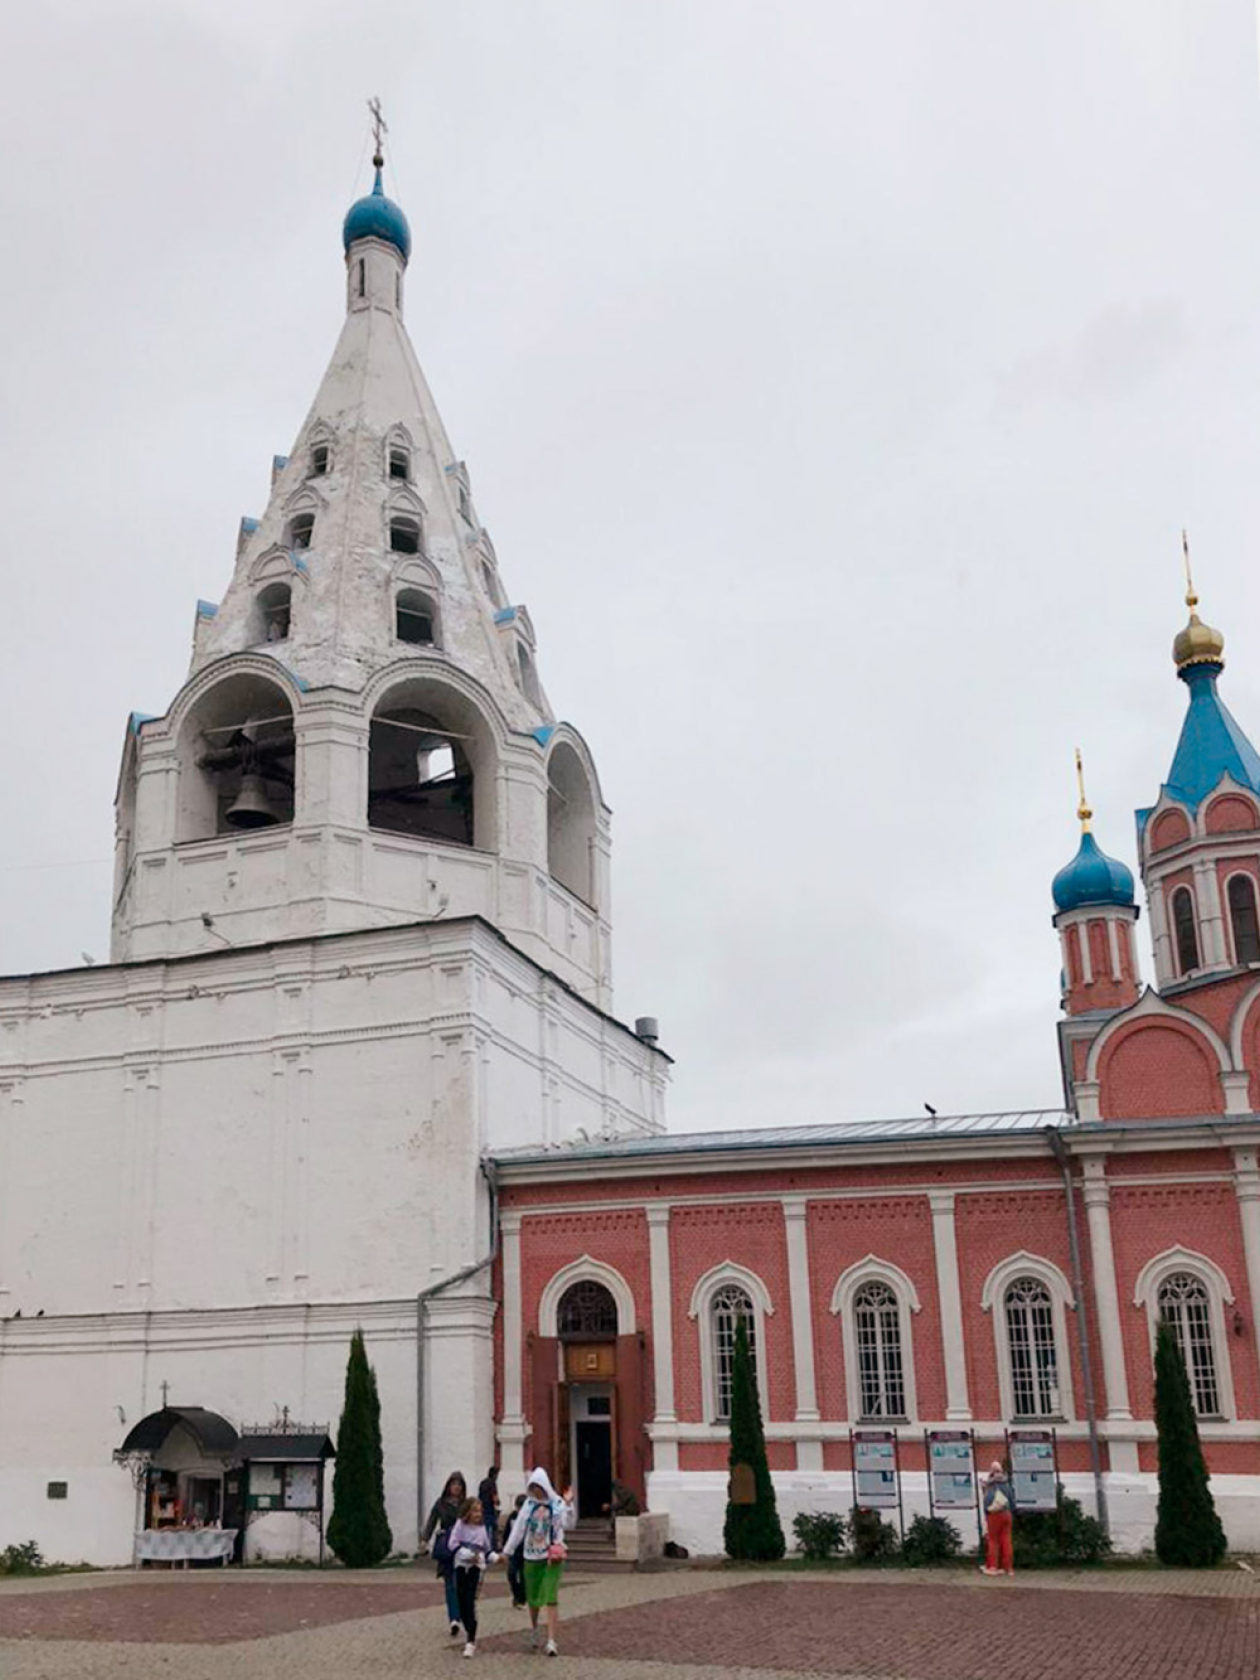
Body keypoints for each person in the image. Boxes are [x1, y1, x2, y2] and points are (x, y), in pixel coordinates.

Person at [503, 1467, 576, 1657]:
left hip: (552, 1557)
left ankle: (552, 1641)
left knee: (551, 1597)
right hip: (531, 1556)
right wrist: (507, 1551)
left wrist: (568, 1504)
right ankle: (535, 1629)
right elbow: (518, 1530)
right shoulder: (528, 1506)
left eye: (538, 1487)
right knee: (534, 1598)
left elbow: (568, 1524)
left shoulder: (557, 1503)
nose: (536, 1491)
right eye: (533, 1487)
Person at [447, 1495, 498, 1658]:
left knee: (470, 1602)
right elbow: (452, 1544)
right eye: (475, 1511)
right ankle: (467, 1626)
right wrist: (467, 1554)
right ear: (467, 1512)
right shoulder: (460, 1525)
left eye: (480, 1511)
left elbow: (487, 1549)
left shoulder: (483, 1529)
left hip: (476, 1569)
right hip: (461, 1566)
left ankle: (471, 1640)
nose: (478, 1514)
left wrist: (496, 1558)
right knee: (461, 1603)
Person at [422, 1470, 468, 1636]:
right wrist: (424, 1539)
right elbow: (432, 1521)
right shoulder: (441, 1503)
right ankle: (454, 1619)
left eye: (459, 1485)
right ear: (448, 1486)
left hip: (462, 1547)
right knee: (450, 1584)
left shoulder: (465, 1505)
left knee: (460, 1583)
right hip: (447, 1547)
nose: (456, 1488)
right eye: (453, 1484)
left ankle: (460, 1613)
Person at [981, 1459, 1015, 1576]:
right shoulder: (1006, 1483)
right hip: (1007, 1514)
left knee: (993, 1541)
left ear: (991, 1472)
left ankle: (993, 1567)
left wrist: (986, 1512)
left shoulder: (991, 1484)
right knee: (1007, 1541)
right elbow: (1011, 1500)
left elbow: (987, 1501)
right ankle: (1008, 1568)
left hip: (994, 1515)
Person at [502, 1494, 527, 1610]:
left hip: (525, 1552)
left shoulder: (529, 1518)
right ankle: (516, 1594)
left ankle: (522, 1597)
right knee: (511, 1574)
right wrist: (505, 1548)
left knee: (523, 1576)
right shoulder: (512, 1517)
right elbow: (507, 1533)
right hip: (513, 1552)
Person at [477, 1465, 500, 1545]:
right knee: (494, 1528)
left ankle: (483, 1544)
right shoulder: (492, 1482)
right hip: (489, 1509)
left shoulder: (483, 1482)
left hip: (482, 1508)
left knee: (484, 1528)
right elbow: (495, 1497)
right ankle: (493, 1546)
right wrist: (498, 1502)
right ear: (495, 1474)